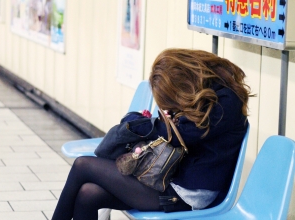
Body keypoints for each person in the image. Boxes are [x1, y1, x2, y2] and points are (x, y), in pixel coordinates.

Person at [51, 48, 253, 220]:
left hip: (188, 194)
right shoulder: (208, 95)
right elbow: (171, 128)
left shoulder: (226, 103)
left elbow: (178, 133)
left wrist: (149, 123)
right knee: (88, 194)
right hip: (171, 180)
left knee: (83, 165)